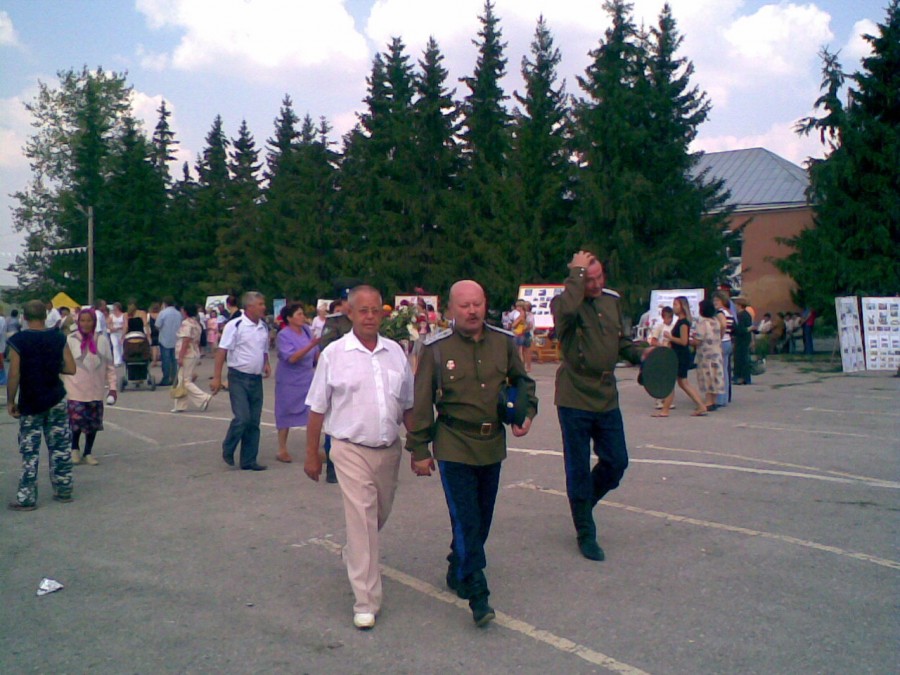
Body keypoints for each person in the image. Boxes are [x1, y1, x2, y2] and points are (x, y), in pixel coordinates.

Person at [407, 280, 537, 627]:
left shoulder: (504, 343)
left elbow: (523, 382)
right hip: (453, 444)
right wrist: (419, 448)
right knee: (466, 518)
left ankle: (456, 565)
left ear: (485, 304)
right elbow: (421, 403)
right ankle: (478, 593)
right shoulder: (435, 348)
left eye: (477, 304)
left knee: (481, 518)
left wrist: (526, 412)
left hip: (492, 443)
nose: (472, 311)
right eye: (464, 305)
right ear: (450, 310)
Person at [304, 285, 414, 631]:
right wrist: (313, 456)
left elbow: (408, 406)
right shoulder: (334, 354)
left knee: (374, 518)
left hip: (388, 451)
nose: (370, 316)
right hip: (349, 449)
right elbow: (316, 409)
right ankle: (366, 601)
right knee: (363, 522)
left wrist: (422, 447)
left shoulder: (395, 352)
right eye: (362, 310)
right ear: (349, 313)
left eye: (375, 310)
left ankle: (353, 551)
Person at [551, 250, 650, 562]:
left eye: (598, 277)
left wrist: (640, 354)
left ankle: (583, 504)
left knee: (616, 461)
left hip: (606, 393)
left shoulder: (611, 300)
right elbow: (565, 310)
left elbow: (619, 341)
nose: (594, 284)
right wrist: (576, 274)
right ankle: (585, 531)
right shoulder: (565, 301)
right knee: (578, 467)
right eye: (587, 278)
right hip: (574, 395)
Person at [6, 299, 77, 510]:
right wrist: (52, 368)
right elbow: (71, 368)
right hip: (55, 397)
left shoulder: (19, 340)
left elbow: (14, 373)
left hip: (31, 400)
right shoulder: (58, 337)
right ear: (46, 316)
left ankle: (27, 497)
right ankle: (64, 489)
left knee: (30, 450)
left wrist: (11, 400)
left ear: (24, 318)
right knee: (60, 447)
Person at [211, 292, 270, 471]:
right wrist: (216, 377)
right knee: (242, 417)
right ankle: (228, 447)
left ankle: (249, 460)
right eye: (260, 304)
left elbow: (263, 348)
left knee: (254, 421)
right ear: (250, 307)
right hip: (238, 376)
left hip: (256, 377)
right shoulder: (235, 325)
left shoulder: (263, 327)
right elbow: (222, 351)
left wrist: (266, 363)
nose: (263, 307)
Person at [64, 309, 117, 466]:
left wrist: (112, 388)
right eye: (83, 321)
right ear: (78, 322)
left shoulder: (102, 340)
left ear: (94, 322)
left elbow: (110, 366)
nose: (86, 324)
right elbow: (63, 364)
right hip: (75, 389)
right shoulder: (71, 339)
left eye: (89, 321)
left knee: (92, 424)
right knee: (76, 423)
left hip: (95, 390)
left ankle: (88, 452)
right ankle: (74, 449)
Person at [274, 303, 320, 463]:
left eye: (302, 314)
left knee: (311, 412)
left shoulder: (307, 330)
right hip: (289, 379)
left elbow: (316, 353)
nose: (302, 317)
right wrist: (311, 345)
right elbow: (292, 358)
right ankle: (282, 449)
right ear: (289, 318)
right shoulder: (283, 335)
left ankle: (312, 450)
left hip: (306, 377)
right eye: (299, 314)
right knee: (285, 411)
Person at [318, 296, 352, 483]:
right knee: (335, 424)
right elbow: (325, 346)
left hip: (360, 378)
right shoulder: (335, 321)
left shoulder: (364, 321)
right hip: (339, 377)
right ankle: (333, 469)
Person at [172, 304, 213, 413]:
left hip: (187, 354)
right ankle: (180, 405)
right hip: (194, 353)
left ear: (185, 311)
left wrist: (180, 356)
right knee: (182, 380)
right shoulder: (196, 323)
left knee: (185, 380)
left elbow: (185, 340)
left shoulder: (186, 324)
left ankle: (203, 397)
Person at [694, 299, 725, 411]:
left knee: (707, 376)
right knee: (716, 376)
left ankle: (708, 402)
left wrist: (689, 341)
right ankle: (714, 401)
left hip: (705, 354)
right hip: (716, 352)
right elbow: (722, 330)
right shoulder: (716, 321)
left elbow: (699, 339)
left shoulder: (702, 322)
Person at [712, 291, 734, 407]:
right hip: (728, 341)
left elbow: (723, 325)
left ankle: (719, 399)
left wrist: (719, 337)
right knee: (724, 371)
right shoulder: (729, 313)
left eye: (717, 301)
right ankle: (724, 398)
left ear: (723, 301)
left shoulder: (720, 313)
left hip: (722, 342)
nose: (715, 303)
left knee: (719, 372)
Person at [155, 297, 182, 387]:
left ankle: (166, 378)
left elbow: (157, 325)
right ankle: (175, 378)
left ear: (164, 303)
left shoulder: (163, 313)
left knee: (166, 360)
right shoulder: (178, 314)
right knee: (174, 360)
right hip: (176, 339)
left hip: (165, 339)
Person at [732, 297, 753, 385]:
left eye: (735, 305)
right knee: (742, 358)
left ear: (739, 305)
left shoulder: (741, 316)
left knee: (740, 358)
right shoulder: (746, 314)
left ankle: (741, 377)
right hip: (744, 339)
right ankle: (743, 377)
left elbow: (740, 329)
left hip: (741, 339)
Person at [109, 302, 126, 366]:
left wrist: (123, 333)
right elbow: (108, 323)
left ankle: (122, 359)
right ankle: (117, 361)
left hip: (121, 332)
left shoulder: (123, 315)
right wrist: (111, 328)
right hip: (114, 333)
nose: (113, 309)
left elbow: (125, 325)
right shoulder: (111, 316)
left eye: (114, 307)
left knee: (122, 346)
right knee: (115, 345)